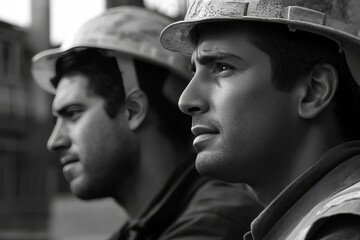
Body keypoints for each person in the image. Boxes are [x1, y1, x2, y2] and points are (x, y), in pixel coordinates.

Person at [31, 6, 262, 240]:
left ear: (133, 110)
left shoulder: (213, 225)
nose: (54, 141)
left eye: (72, 113)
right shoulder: (144, 229)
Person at [160, 0, 360, 239]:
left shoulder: (342, 229)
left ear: (313, 91)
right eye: (194, 71)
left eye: (222, 67)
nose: (186, 100)